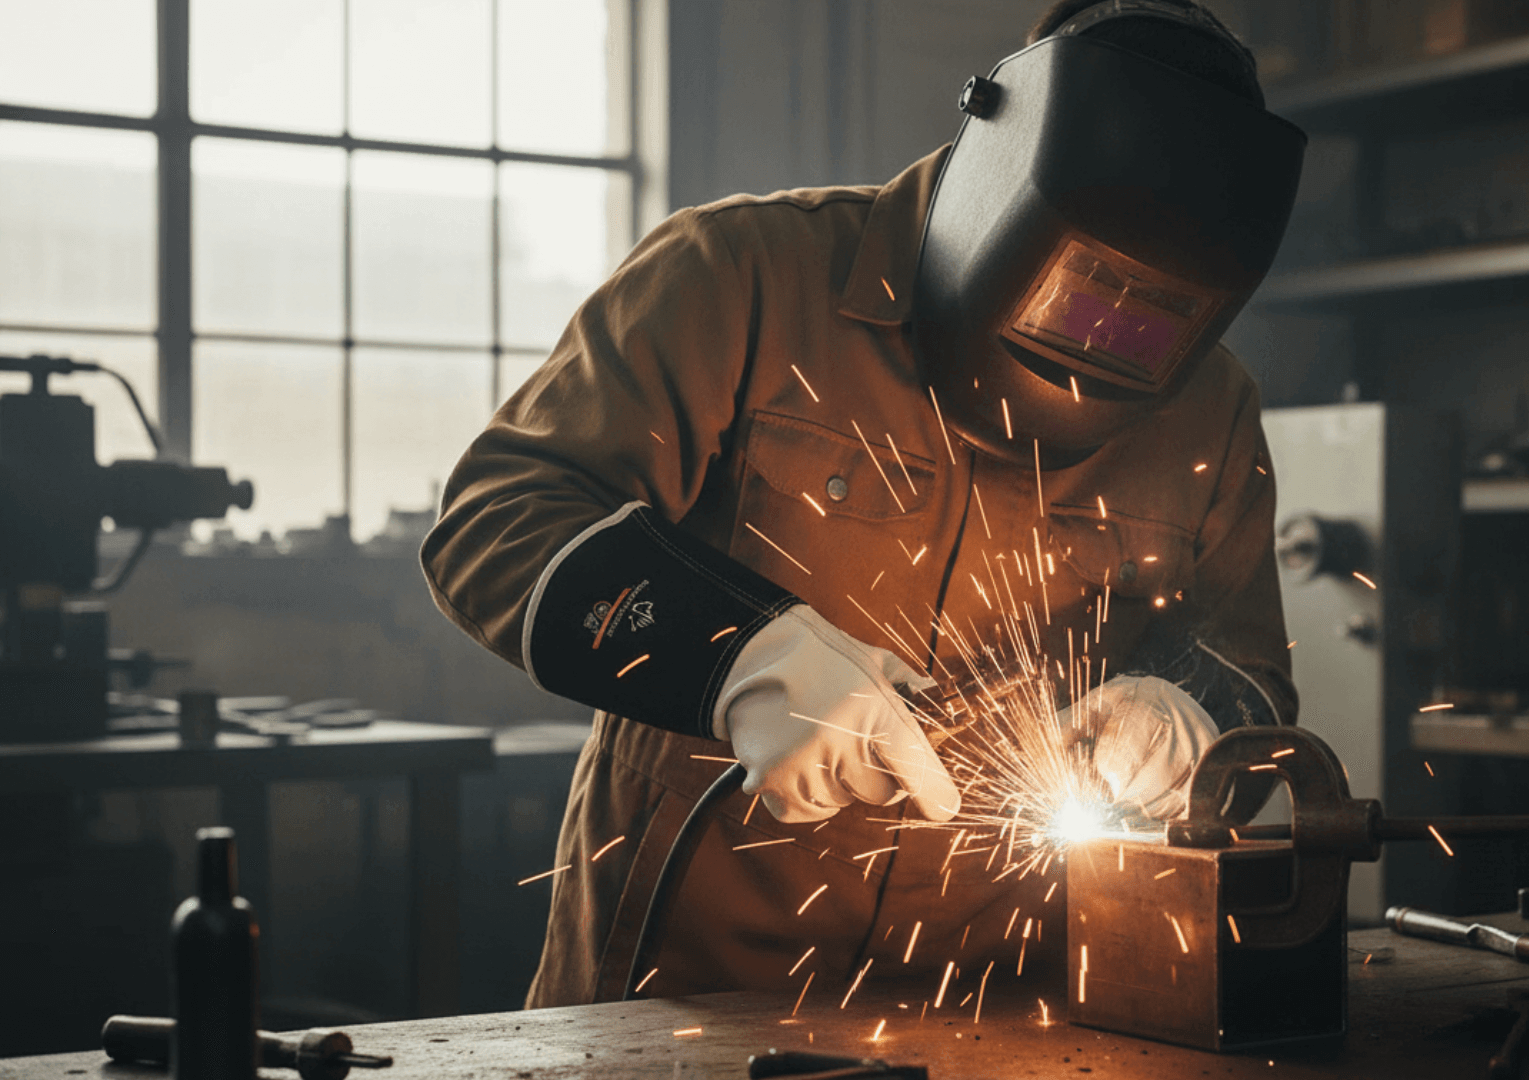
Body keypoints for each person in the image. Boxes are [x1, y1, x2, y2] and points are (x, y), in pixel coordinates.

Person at [421, 0, 1306, 1007]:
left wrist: (1192, 717)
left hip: (1005, 1017)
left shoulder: (1213, 409)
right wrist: (736, 657)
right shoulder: (740, 277)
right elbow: (497, 518)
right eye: (1078, 292)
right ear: (1001, 173)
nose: (1101, 341)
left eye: (1153, 323)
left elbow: (1257, 682)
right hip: (678, 998)